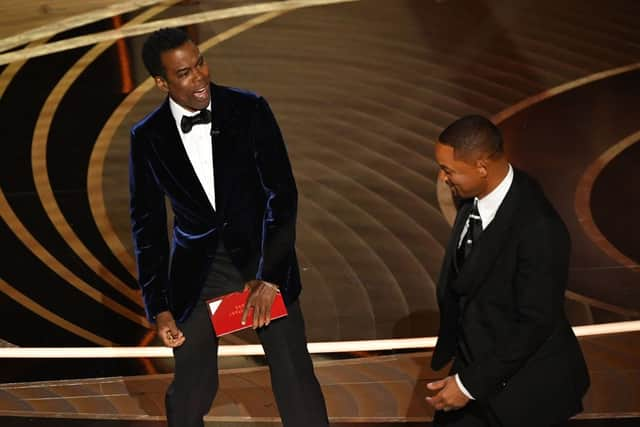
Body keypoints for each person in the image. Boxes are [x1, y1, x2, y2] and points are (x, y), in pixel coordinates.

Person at [129, 27, 329, 427]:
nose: (200, 76)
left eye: (199, 61)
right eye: (184, 72)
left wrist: (269, 277)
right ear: (160, 81)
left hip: (261, 263)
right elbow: (147, 226)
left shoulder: (249, 109)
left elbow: (281, 195)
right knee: (189, 391)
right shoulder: (147, 137)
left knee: (294, 379)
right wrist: (161, 308)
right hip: (198, 276)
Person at [426, 115, 589, 427]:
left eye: (450, 170)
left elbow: (536, 322)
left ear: (482, 167)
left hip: (525, 391)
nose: (443, 178)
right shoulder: (475, 198)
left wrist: (468, 385)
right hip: (477, 367)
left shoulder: (539, 228)